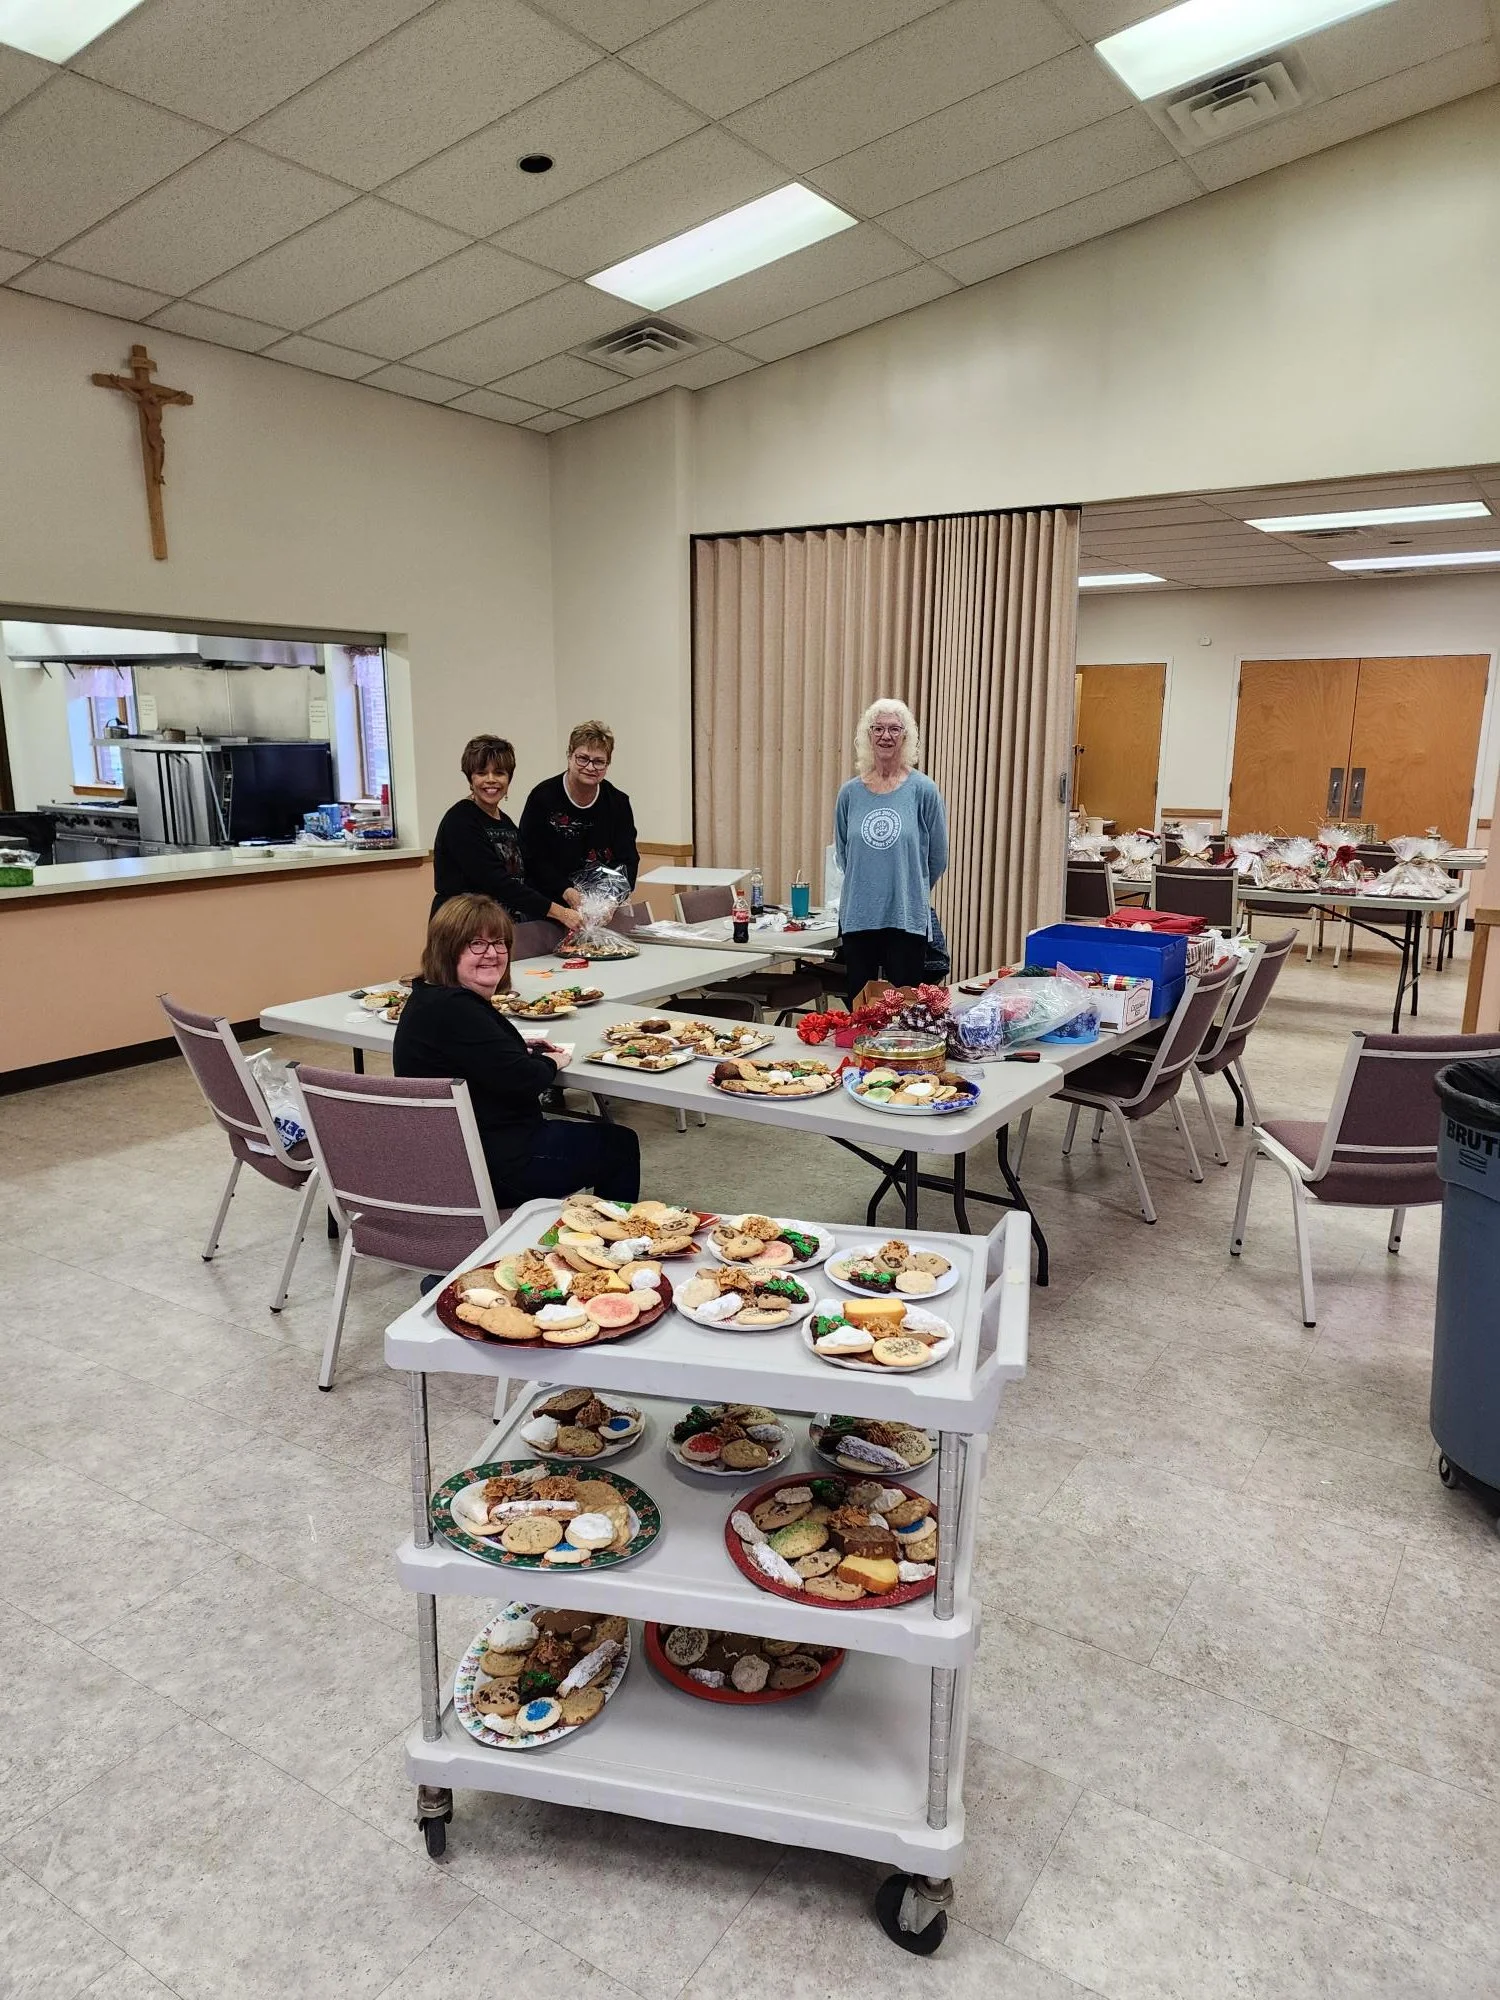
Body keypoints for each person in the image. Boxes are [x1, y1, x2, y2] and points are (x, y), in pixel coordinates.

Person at [393, 893, 640, 1207]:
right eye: (476, 944)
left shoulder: (428, 998)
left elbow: (480, 1056)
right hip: (495, 1167)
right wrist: (550, 1061)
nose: (492, 954)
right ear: (447, 949)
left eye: (499, 943)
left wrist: (512, 1049)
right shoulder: (458, 1011)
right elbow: (523, 1079)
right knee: (619, 1144)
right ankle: (608, 1247)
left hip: (447, 1158)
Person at [834, 698, 949, 1003]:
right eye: (879, 728)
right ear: (868, 736)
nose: (886, 736)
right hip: (859, 916)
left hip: (906, 915)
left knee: (905, 1009)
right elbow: (844, 854)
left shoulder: (923, 790)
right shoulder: (850, 793)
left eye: (895, 729)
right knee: (860, 1009)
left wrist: (912, 888)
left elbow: (937, 857)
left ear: (906, 737)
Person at [430, 734, 579, 928]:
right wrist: (561, 913)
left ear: (509, 778)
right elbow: (497, 883)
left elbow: (532, 867)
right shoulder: (460, 821)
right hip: (462, 928)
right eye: (482, 773)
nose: (491, 780)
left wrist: (566, 891)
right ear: (470, 777)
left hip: (498, 927)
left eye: (499, 773)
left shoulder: (505, 822)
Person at [520, 720, 639, 911]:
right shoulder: (542, 797)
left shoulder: (618, 803)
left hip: (601, 907)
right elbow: (532, 857)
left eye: (599, 761)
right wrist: (566, 891)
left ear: (608, 764)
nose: (591, 768)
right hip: (550, 906)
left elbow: (628, 859)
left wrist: (611, 901)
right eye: (583, 758)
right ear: (569, 756)